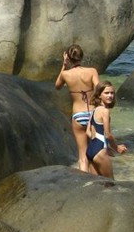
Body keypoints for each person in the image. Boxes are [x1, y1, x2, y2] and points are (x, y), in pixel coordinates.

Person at [55, 44, 99, 173]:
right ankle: (97, 181)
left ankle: (84, 184)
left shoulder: (66, 74)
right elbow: (99, 88)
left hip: (78, 115)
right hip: (92, 113)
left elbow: (57, 86)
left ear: (68, 57)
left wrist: (64, 64)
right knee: (95, 152)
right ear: (82, 56)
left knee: (82, 155)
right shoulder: (92, 71)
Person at [86, 81, 129, 179]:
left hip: (90, 150)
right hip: (99, 151)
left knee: (97, 186)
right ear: (99, 95)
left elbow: (88, 132)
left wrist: (102, 144)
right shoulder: (105, 111)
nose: (110, 96)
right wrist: (116, 147)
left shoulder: (94, 110)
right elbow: (108, 134)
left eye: (112, 93)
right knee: (111, 184)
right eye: (106, 93)